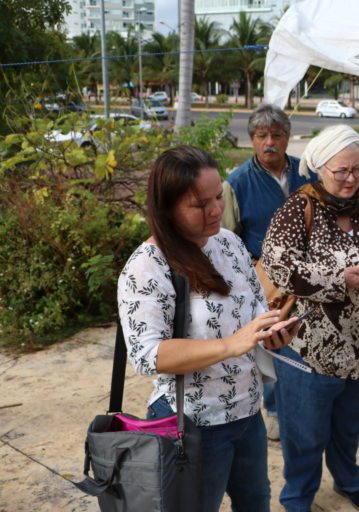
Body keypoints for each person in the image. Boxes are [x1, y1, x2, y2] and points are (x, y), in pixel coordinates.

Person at [117, 146, 297, 512]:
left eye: (218, 197)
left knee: (256, 502)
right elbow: (147, 355)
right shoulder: (147, 267)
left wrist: (273, 332)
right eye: (200, 205)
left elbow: (255, 311)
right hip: (194, 422)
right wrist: (231, 344)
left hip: (247, 412)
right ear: (166, 209)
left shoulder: (229, 244)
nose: (215, 210)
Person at [262, 125, 359, 512]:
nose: (352, 179)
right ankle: (298, 498)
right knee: (305, 435)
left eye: (358, 169)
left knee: (349, 428)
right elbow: (278, 265)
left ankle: (348, 480)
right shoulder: (298, 209)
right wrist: (339, 279)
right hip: (311, 354)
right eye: (341, 171)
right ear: (320, 169)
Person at [222, 104, 318, 440]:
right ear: (252, 141)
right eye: (262, 136)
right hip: (266, 279)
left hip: (310, 274)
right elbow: (227, 238)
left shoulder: (307, 174)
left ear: (288, 138)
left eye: (277, 135)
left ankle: (307, 401)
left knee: (307, 338)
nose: (270, 142)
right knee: (276, 342)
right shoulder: (237, 183)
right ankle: (275, 409)